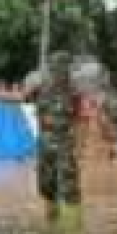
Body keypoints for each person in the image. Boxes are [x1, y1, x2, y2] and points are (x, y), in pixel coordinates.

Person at [36, 52, 82, 224]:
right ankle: (51, 223)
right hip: (45, 143)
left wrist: (78, 145)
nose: (57, 72)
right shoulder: (42, 89)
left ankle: (72, 229)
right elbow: (37, 115)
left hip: (65, 143)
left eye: (61, 67)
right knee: (47, 186)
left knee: (69, 187)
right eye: (54, 67)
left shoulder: (74, 92)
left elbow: (80, 120)